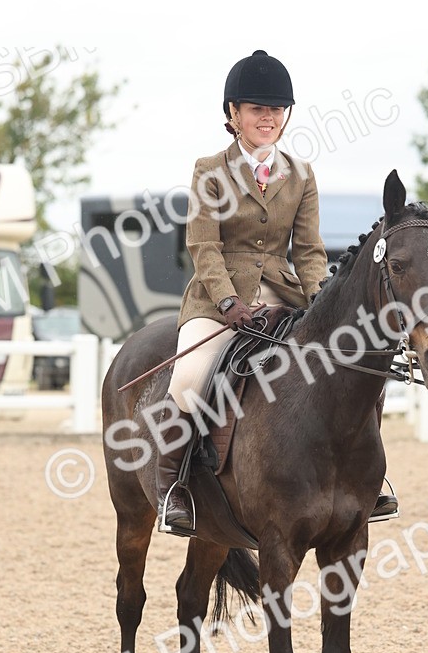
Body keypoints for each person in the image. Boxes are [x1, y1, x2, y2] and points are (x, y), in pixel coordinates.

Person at [156, 48, 398, 534]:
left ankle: (367, 481)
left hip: (285, 295)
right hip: (218, 298)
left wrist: (321, 304)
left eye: (275, 111)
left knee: (355, 366)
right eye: (256, 110)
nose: (267, 119)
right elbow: (202, 245)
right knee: (189, 376)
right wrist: (227, 303)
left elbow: (308, 251)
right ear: (233, 115)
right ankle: (174, 487)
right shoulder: (210, 169)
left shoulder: (302, 174)